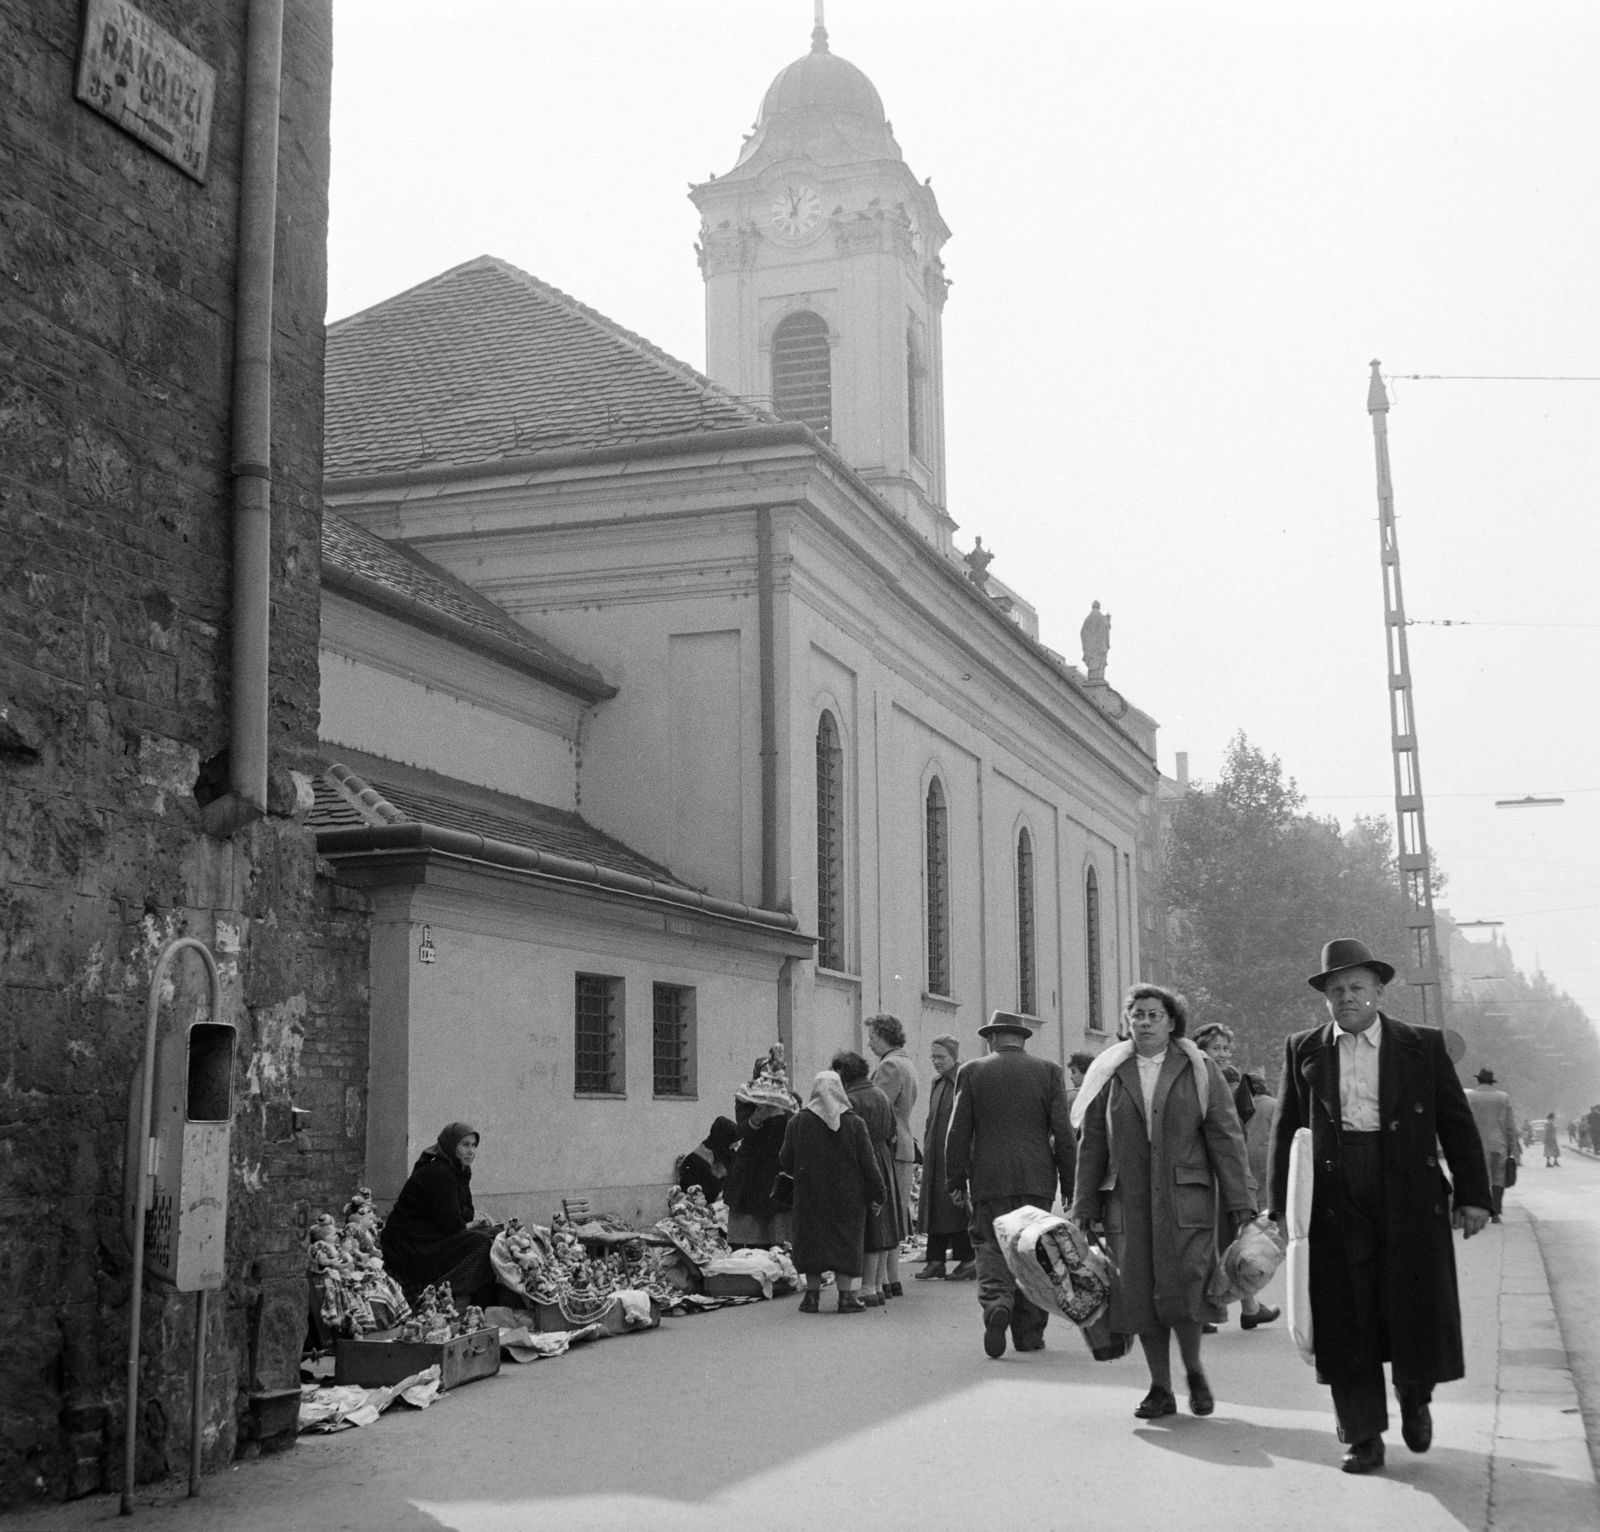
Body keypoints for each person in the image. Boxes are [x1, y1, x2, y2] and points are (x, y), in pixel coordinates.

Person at [1268, 939, 1491, 1475]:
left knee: (1412, 1304)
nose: (1346, 997)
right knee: (1346, 1313)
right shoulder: (1305, 1048)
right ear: (1325, 998)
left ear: (1378, 992)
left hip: (1409, 1190)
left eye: (1356, 987)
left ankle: (1416, 1397)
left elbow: (1455, 1123)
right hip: (1333, 1194)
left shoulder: (1421, 1045)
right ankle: (1362, 1433)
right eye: (1335, 990)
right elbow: (1286, 1132)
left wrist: (1475, 1195)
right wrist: (1279, 1208)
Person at [1072, 986, 1254, 1418]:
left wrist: (1240, 1201)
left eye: (1155, 1015)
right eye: (1137, 1015)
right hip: (1126, 1200)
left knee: (1187, 1288)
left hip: (1185, 1200)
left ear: (1172, 1022)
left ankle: (1193, 1371)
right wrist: (1084, 1206)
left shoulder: (1197, 1066)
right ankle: (1160, 1387)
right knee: (1139, 1293)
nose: (1145, 1022)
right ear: (1126, 1021)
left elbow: (1225, 1136)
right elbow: (1093, 1141)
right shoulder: (1110, 1071)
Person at [944, 1011, 1076, 1358]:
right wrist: (1072, 1185)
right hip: (1037, 1179)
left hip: (989, 1178)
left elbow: (957, 1132)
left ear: (992, 1039)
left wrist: (955, 1179)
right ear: (1021, 1039)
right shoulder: (1049, 1072)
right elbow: (1063, 1135)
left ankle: (996, 1304)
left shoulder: (972, 1071)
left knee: (990, 1244)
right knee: (1033, 1249)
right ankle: (1029, 1334)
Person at [1191, 1021, 1279, 1334]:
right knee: (1210, 1242)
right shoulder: (1197, 1079)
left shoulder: (1227, 1079)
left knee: (1234, 1240)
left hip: (1226, 1172)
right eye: (1217, 1048)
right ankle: (1207, 1311)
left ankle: (1250, 1308)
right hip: (1206, 1173)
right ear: (1202, 1050)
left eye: (1227, 1048)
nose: (1224, 1054)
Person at [781, 1070, 886, 1314]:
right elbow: (869, 1164)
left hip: (809, 1196)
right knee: (845, 1241)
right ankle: (846, 1296)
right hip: (848, 1198)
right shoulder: (855, 1123)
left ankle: (811, 1297)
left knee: (811, 1241)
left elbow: (785, 1160)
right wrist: (878, 1194)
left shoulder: (797, 1122)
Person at [380, 1121, 499, 1308]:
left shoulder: (459, 1171)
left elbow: (468, 1212)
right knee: (483, 1244)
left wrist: (461, 1213)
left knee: (496, 1234)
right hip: (411, 1245)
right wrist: (461, 1214)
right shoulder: (439, 1173)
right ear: (451, 1146)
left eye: (474, 1145)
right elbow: (453, 1224)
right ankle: (433, 1292)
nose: (471, 1151)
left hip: (432, 1236)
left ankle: (480, 1309)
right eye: (465, 1145)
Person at [834, 1050, 901, 1307]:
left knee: (869, 1227)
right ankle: (878, 1286)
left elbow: (847, 1135)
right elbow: (892, 1130)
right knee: (882, 1226)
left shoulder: (851, 1099)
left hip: (864, 1160)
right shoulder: (881, 1094)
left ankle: (867, 1288)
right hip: (883, 1157)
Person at [866, 1013, 919, 1296]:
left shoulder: (889, 1066)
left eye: (872, 1037)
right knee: (896, 1212)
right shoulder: (906, 1062)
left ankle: (884, 1280)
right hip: (904, 1145)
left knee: (886, 1213)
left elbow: (878, 1107)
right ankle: (892, 1278)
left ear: (884, 1036)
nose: (869, 1044)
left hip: (891, 1146)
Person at [916, 1033, 975, 1280]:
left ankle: (968, 1260)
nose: (936, 1061)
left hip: (954, 1157)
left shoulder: (965, 1080)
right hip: (935, 1157)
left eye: (940, 1057)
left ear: (954, 1056)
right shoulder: (937, 1083)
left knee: (954, 1208)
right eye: (933, 1056)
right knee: (935, 1208)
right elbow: (931, 1120)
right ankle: (936, 1260)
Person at [725, 1050, 797, 1247]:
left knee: (780, 1234)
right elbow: (740, 1131)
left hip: (778, 1168)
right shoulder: (746, 1098)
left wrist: (785, 1114)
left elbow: (795, 1131)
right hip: (751, 1169)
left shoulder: (791, 1100)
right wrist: (757, 1119)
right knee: (748, 1232)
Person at [1464, 1069, 1518, 1221]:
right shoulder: (1503, 1098)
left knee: (1481, 1179)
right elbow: (1510, 1126)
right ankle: (1495, 1213)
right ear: (1491, 1081)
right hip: (1499, 1144)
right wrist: (1511, 1146)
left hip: (1477, 1145)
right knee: (1498, 1178)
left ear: (1478, 1081)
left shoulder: (1469, 1097)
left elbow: (1465, 1123)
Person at [676, 1115, 740, 1204]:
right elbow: (692, 1190)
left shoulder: (727, 1153)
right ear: (724, 1138)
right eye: (734, 1140)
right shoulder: (698, 1159)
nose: (736, 1145)